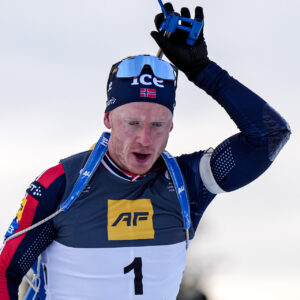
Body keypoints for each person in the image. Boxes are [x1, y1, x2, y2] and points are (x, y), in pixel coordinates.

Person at [0, 2, 291, 300]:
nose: (145, 138)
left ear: (172, 126)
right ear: (108, 119)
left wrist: (204, 72)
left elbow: (270, 135)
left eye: (158, 124)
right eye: (133, 122)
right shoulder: (63, 184)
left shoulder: (188, 183)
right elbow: (5, 271)